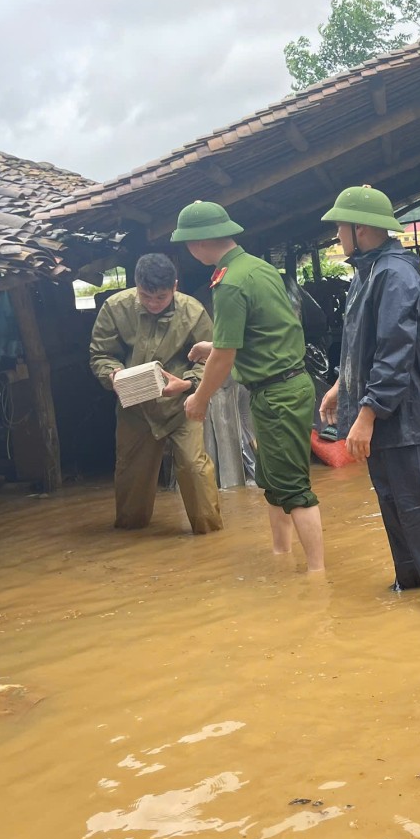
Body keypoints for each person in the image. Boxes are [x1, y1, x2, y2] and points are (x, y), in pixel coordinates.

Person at [317, 186, 420, 613]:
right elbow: (360, 344)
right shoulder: (368, 272)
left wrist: (367, 413)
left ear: (361, 227)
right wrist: (341, 387)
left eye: (339, 227)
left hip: (402, 416)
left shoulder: (395, 275)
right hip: (382, 415)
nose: (336, 235)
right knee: (394, 503)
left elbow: (394, 352)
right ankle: (411, 585)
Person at [172, 201, 326, 572]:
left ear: (197, 243)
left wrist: (199, 398)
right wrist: (214, 347)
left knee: (293, 488)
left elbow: (225, 358)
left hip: (278, 394)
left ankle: (317, 575)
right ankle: (281, 555)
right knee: (270, 480)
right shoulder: (258, 268)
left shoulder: (229, 283)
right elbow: (265, 332)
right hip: (283, 386)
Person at [89, 253, 222, 534]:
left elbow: (213, 360)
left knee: (194, 468)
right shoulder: (115, 307)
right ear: (136, 286)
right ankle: (130, 538)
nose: (152, 304)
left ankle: (209, 531)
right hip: (134, 407)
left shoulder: (193, 312)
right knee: (131, 477)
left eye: (160, 297)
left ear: (174, 286)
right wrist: (112, 375)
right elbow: (101, 354)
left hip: (182, 404)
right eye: (145, 296)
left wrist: (187, 384)